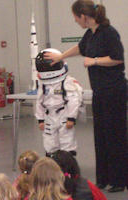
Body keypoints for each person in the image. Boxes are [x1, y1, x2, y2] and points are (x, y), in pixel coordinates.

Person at [44, 0, 127, 192]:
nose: (75, 20)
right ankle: (104, 177)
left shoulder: (109, 33)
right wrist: (60, 57)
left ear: (84, 16)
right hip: (100, 91)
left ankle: (119, 180)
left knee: (115, 136)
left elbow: (117, 58)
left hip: (114, 91)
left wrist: (94, 61)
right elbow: (80, 48)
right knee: (101, 135)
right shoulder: (91, 33)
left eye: (75, 17)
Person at [35, 48, 83, 157]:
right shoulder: (43, 84)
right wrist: (40, 119)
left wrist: (71, 118)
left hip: (64, 115)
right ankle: (51, 164)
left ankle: (68, 167)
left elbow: (73, 100)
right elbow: (40, 101)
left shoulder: (67, 82)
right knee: (49, 141)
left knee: (67, 141)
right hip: (49, 116)